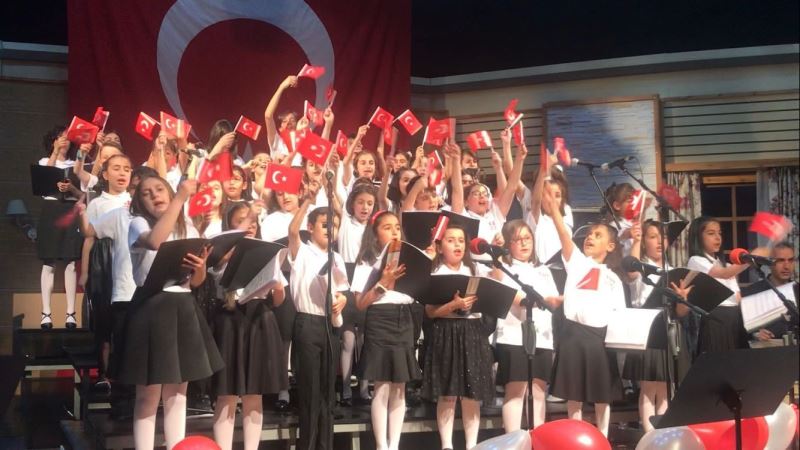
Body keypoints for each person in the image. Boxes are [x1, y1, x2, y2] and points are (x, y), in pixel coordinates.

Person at [118, 176, 224, 450]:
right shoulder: (138, 224)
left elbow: (196, 281)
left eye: (159, 189)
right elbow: (155, 241)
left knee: (178, 392)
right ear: (139, 201)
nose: (155, 195)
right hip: (152, 308)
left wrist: (200, 266)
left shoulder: (186, 225)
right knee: (149, 393)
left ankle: (176, 446)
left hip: (183, 305)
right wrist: (180, 197)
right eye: (146, 193)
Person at [542, 187, 625, 437]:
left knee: (602, 393)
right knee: (574, 392)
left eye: (597, 235)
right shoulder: (578, 263)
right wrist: (554, 212)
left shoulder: (613, 278)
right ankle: (575, 435)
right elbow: (565, 237)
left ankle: (603, 435)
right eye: (588, 235)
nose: (590, 238)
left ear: (610, 246)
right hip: (573, 334)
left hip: (600, 338)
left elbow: (618, 313)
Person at [210, 203, 288, 450]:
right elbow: (216, 271)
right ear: (230, 226)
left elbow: (279, 300)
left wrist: (277, 287)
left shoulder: (267, 253)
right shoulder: (222, 255)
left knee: (255, 393)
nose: (250, 224)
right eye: (242, 219)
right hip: (230, 321)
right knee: (227, 394)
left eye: (253, 220)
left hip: (259, 319)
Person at [351, 210, 422, 450]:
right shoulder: (367, 261)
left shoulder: (408, 260)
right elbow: (360, 303)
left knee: (400, 387)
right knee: (382, 385)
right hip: (380, 318)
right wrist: (383, 282)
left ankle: (395, 444)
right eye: (387, 227)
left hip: (405, 318)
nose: (394, 232)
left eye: (397, 227)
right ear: (375, 233)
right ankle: (382, 445)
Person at [287, 184, 349, 450]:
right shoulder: (301, 250)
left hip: (329, 326)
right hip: (308, 323)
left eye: (333, 226)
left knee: (327, 393)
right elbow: (292, 231)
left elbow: (342, 291)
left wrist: (343, 300)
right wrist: (307, 202)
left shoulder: (337, 258)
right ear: (311, 227)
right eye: (324, 224)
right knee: (310, 392)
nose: (329, 230)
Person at [423, 224, 494, 450]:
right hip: (446, 331)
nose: (457, 245)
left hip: (472, 331)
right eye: (451, 240)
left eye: (461, 241)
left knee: (472, 393)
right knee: (448, 392)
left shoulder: (475, 271)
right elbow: (430, 312)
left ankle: (472, 445)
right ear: (440, 246)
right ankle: (447, 445)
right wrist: (453, 305)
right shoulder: (436, 273)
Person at [624, 220, 691, 432]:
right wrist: (635, 241)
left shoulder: (673, 271)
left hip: (669, 328)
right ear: (645, 241)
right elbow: (630, 270)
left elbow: (681, 312)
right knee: (649, 386)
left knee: (665, 386)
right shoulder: (640, 268)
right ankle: (648, 434)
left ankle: (663, 433)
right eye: (653, 237)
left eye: (663, 237)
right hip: (647, 329)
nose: (660, 242)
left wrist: (683, 299)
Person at [494, 220, 561, 431]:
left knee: (538, 390)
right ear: (508, 243)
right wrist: (544, 301)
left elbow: (552, 300)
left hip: (542, 336)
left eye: (527, 238)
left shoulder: (544, 270)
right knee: (516, 390)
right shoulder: (504, 269)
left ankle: (537, 438)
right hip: (514, 336)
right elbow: (514, 297)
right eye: (517, 239)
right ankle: (513, 440)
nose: (524, 243)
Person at [686, 216, 768, 354]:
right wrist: (751, 258)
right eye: (711, 233)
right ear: (698, 237)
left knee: (738, 363)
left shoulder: (727, 265)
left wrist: (754, 327)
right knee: (719, 362)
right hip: (715, 320)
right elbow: (724, 274)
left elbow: (738, 299)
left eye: (719, 233)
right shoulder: (696, 261)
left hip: (735, 320)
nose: (717, 237)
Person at [37, 126, 82, 329]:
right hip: (51, 209)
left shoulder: (76, 164)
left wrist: (71, 187)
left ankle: (71, 313)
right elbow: (44, 182)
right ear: (53, 141)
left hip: (70, 209)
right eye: (59, 137)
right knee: (49, 261)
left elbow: (83, 192)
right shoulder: (44, 162)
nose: (64, 140)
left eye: (67, 137)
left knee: (70, 261)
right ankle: (46, 313)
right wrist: (55, 153)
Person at [750, 241, 798, 342]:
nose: (786, 266)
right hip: (766, 349)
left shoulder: (797, 290)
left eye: (790, 260)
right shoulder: (753, 292)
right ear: (769, 263)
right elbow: (740, 329)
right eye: (780, 260)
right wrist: (755, 334)